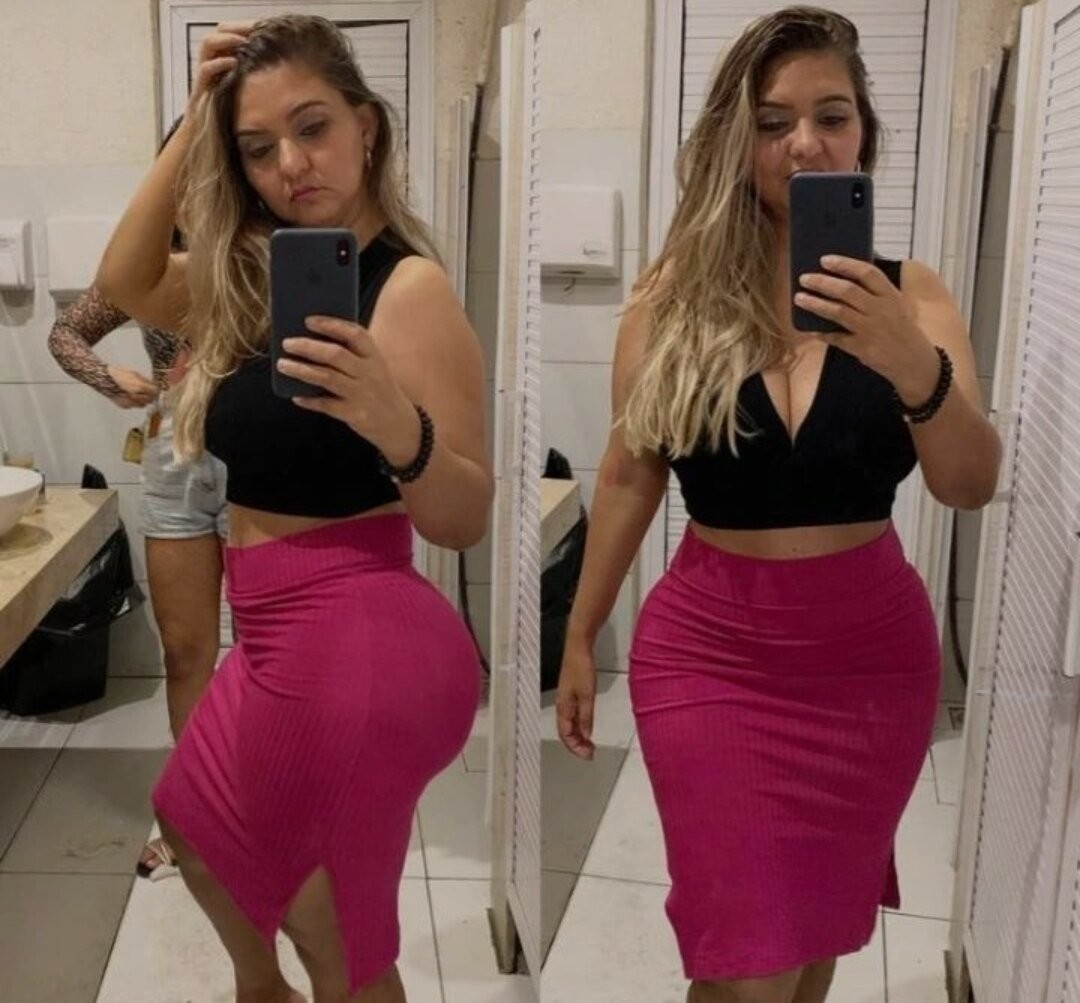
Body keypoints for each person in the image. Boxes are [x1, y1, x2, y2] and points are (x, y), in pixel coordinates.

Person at [555, 7, 1001, 1003]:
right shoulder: (670, 301)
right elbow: (629, 474)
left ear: (862, 134)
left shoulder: (914, 298)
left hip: (869, 661)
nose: (805, 142)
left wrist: (912, 365)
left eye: (831, 116)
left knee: (814, 932)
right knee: (746, 961)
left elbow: (969, 481)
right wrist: (581, 633)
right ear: (736, 141)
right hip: (712, 653)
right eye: (772, 122)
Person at [96, 16, 491, 1003]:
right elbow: (126, 281)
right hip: (274, 631)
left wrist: (397, 426)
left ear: (366, 126)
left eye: (312, 128)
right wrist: (198, 116)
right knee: (190, 817)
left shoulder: (409, 290)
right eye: (258, 148)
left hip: (358, 637)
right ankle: (258, 987)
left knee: (342, 942)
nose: (290, 165)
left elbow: (465, 517)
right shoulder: (252, 280)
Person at [47, 145, 226, 879]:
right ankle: (195, 817)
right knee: (185, 651)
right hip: (175, 454)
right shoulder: (147, 267)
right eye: (183, 179)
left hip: (264, 459)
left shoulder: (268, 254)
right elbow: (64, 333)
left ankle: (268, 805)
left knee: (275, 654)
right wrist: (108, 376)